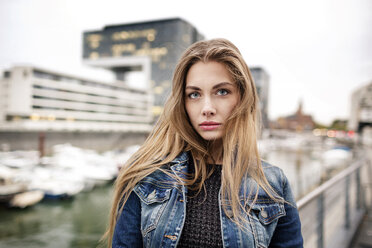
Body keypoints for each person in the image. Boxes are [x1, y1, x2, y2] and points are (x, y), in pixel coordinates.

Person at [104, 38, 303, 247]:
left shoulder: (272, 184)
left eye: (222, 91)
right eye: (194, 94)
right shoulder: (147, 177)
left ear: (242, 98)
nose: (207, 108)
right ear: (183, 103)